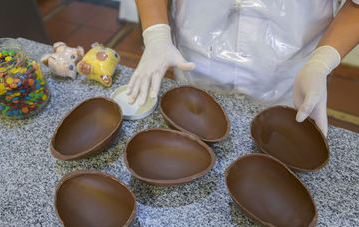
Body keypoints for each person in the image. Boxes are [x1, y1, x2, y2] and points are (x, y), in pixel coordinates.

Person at [125, 0, 359, 136]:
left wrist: (322, 61)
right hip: (196, 61)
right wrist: (156, 33)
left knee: (276, 160)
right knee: (194, 137)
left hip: (288, 75)